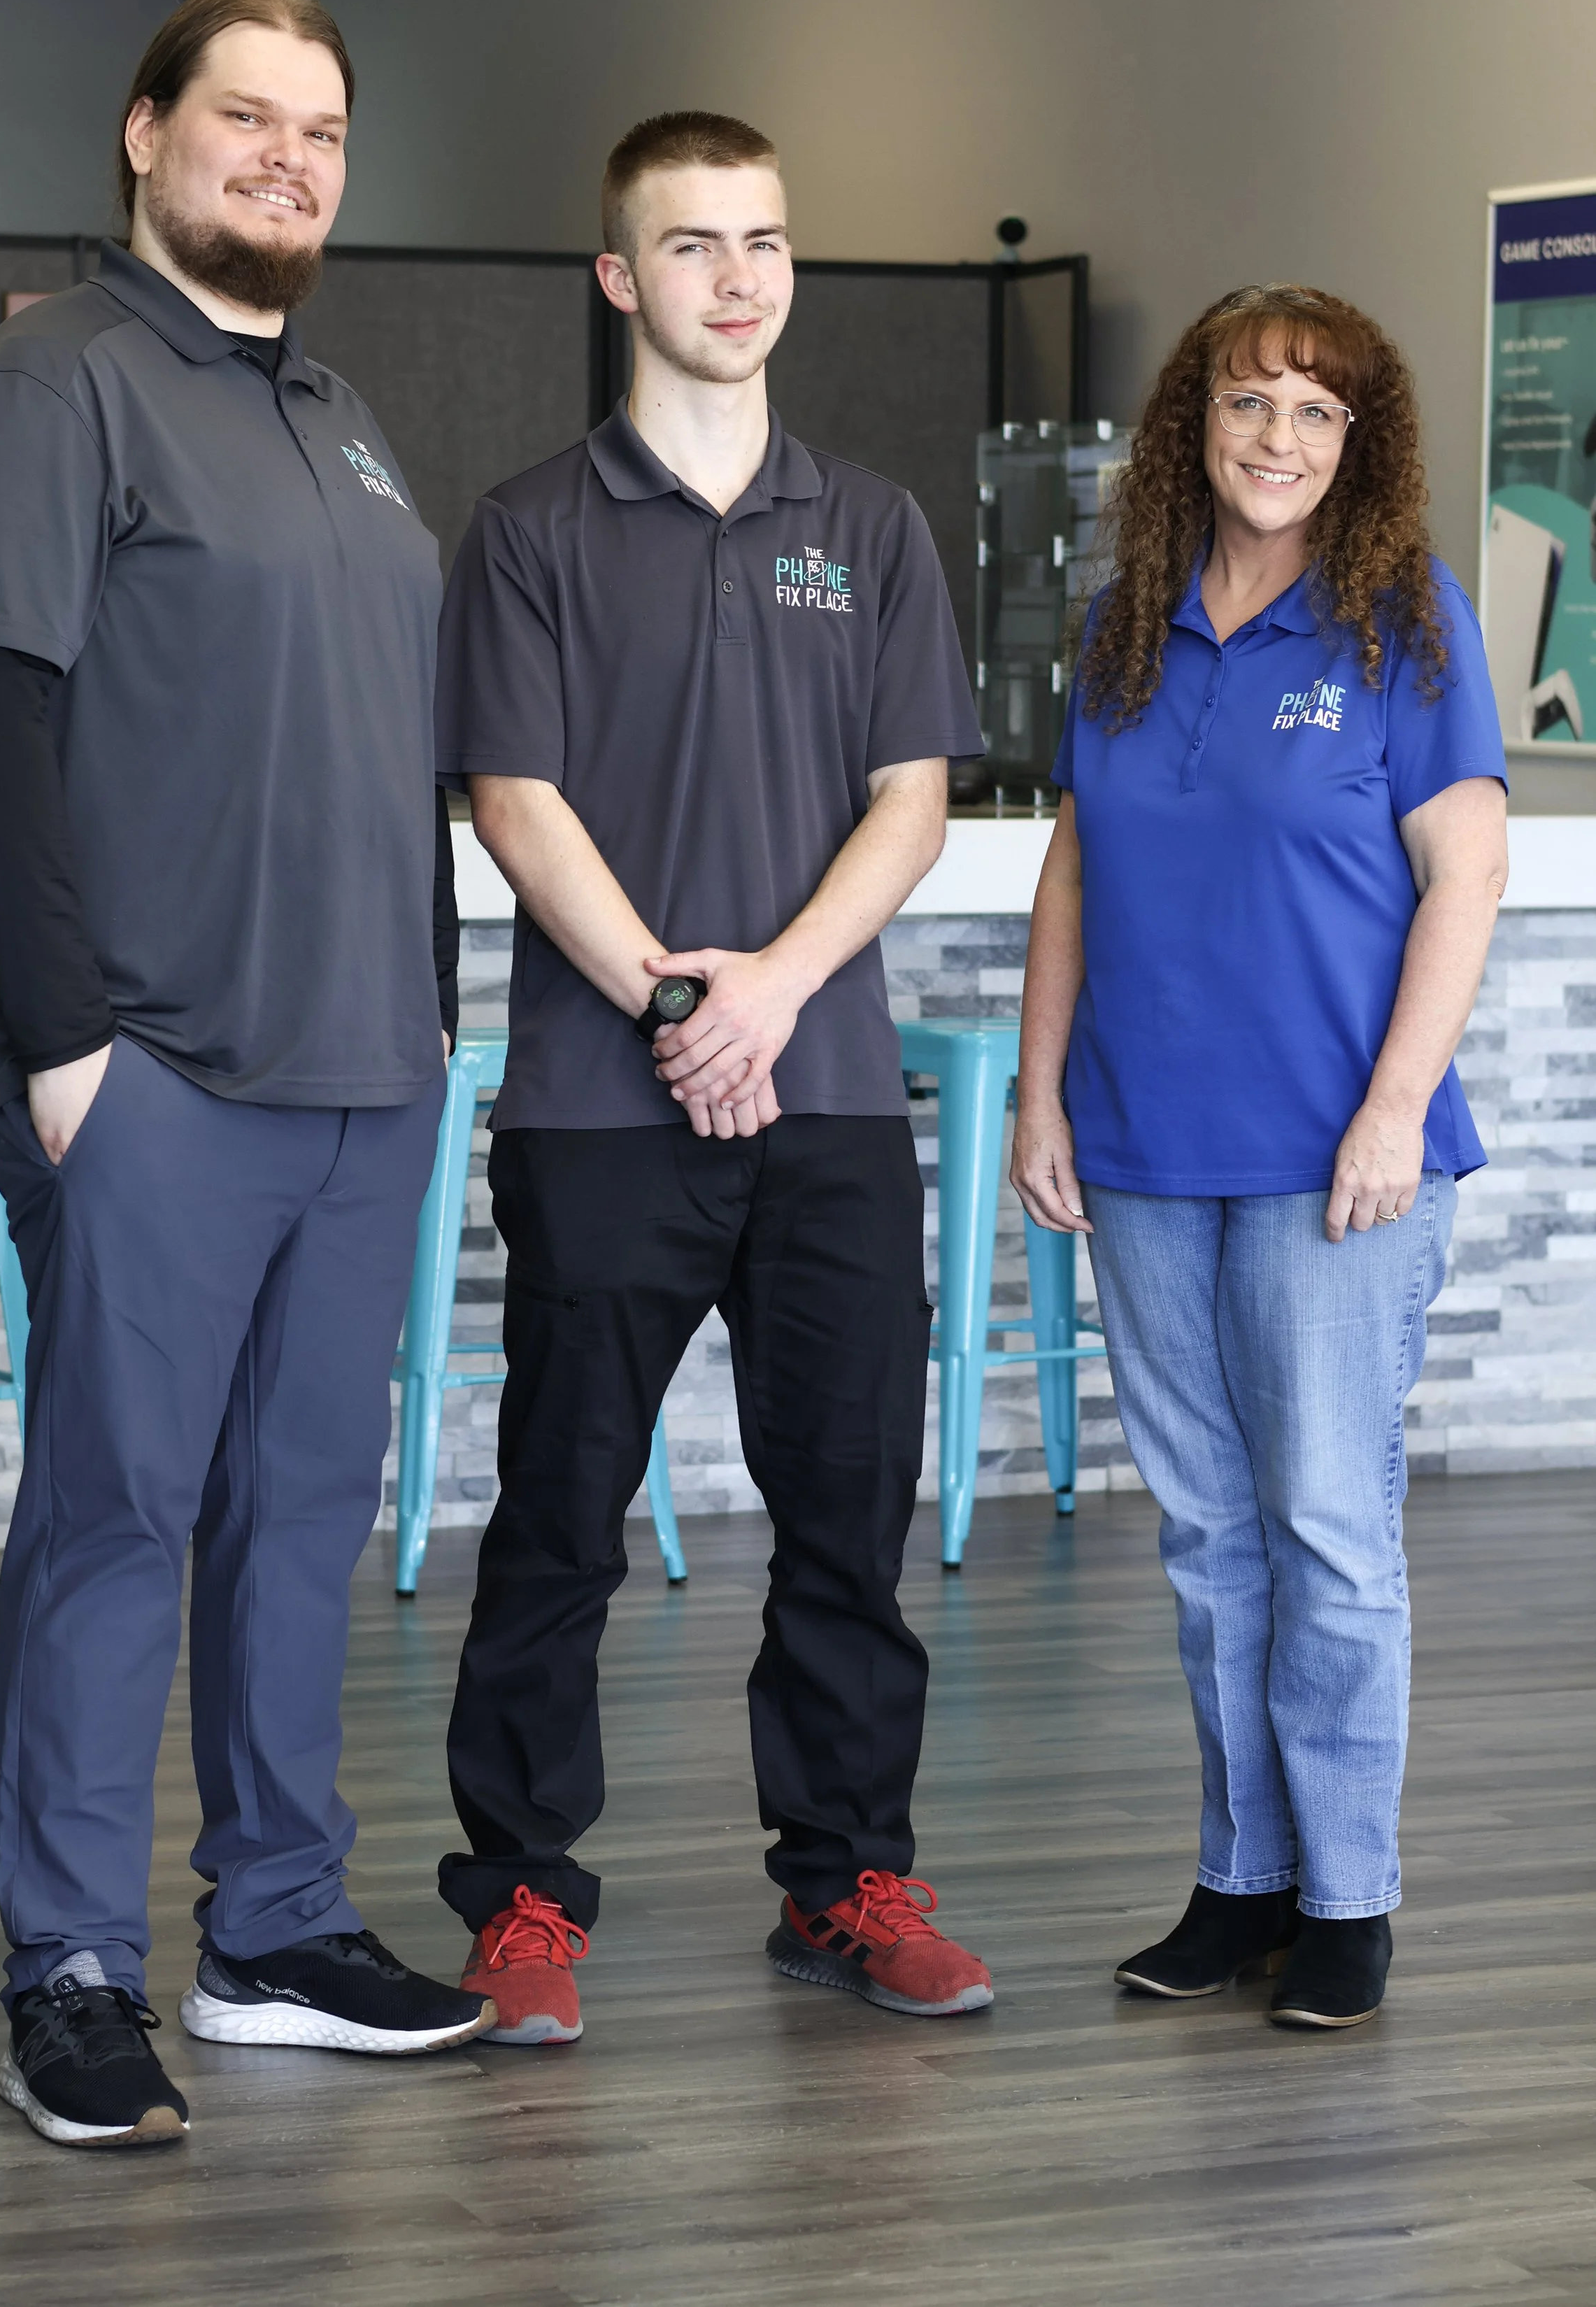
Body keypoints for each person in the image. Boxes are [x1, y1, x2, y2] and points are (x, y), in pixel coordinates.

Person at [0, 0, 492, 2151]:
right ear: (144, 132)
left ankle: (274, 1923)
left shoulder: (336, 408)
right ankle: (69, 1959)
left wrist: (427, 1021)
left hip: (360, 1076)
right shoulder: (54, 383)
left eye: (321, 127)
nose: (288, 156)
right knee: (118, 1514)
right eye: (245, 115)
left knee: (298, 1514)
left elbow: (379, 742)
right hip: (151, 1066)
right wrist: (64, 1054)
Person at [432, 110, 992, 2043]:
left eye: (763, 242)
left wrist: (768, 992)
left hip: (826, 1094)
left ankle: (845, 1875)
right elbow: (514, 800)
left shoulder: (875, 525)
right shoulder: (526, 528)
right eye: (691, 246)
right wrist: (685, 1007)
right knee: (561, 1514)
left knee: (847, 1506)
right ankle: (519, 1897)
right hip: (602, 1106)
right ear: (618, 278)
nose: (737, 279)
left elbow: (909, 806)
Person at [1011, 284, 1509, 2030]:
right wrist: (1036, 1091)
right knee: (1207, 1534)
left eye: (1314, 413)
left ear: (1356, 447)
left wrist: (1390, 1108)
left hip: (1337, 1163)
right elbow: (1074, 869)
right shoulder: (1122, 629)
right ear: (1189, 429)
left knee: (1324, 1529)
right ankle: (1243, 1879)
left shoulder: (1402, 625)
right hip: (1145, 1150)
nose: (1276, 440)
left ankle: (1349, 1896)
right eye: (1246, 405)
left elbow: (1466, 877)